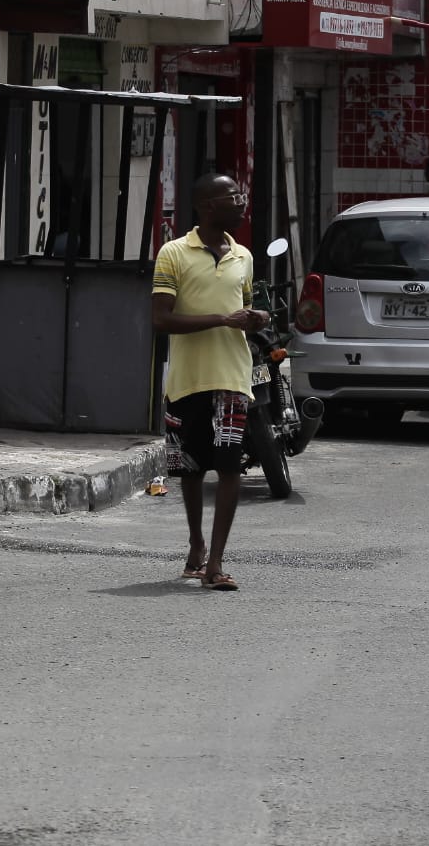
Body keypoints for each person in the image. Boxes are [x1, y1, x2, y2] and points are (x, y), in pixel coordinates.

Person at [150, 174, 269, 592]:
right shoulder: (174, 254)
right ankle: (197, 544)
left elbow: (249, 307)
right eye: (232, 197)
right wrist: (222, 319)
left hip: (232, 377)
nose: (241, 203)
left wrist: (257, 319)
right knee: (192, 470)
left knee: (230, 465)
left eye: (241, 196)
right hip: (186, 381)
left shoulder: (244, 256)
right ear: (207, 205)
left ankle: (216, 563)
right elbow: (161, 319)